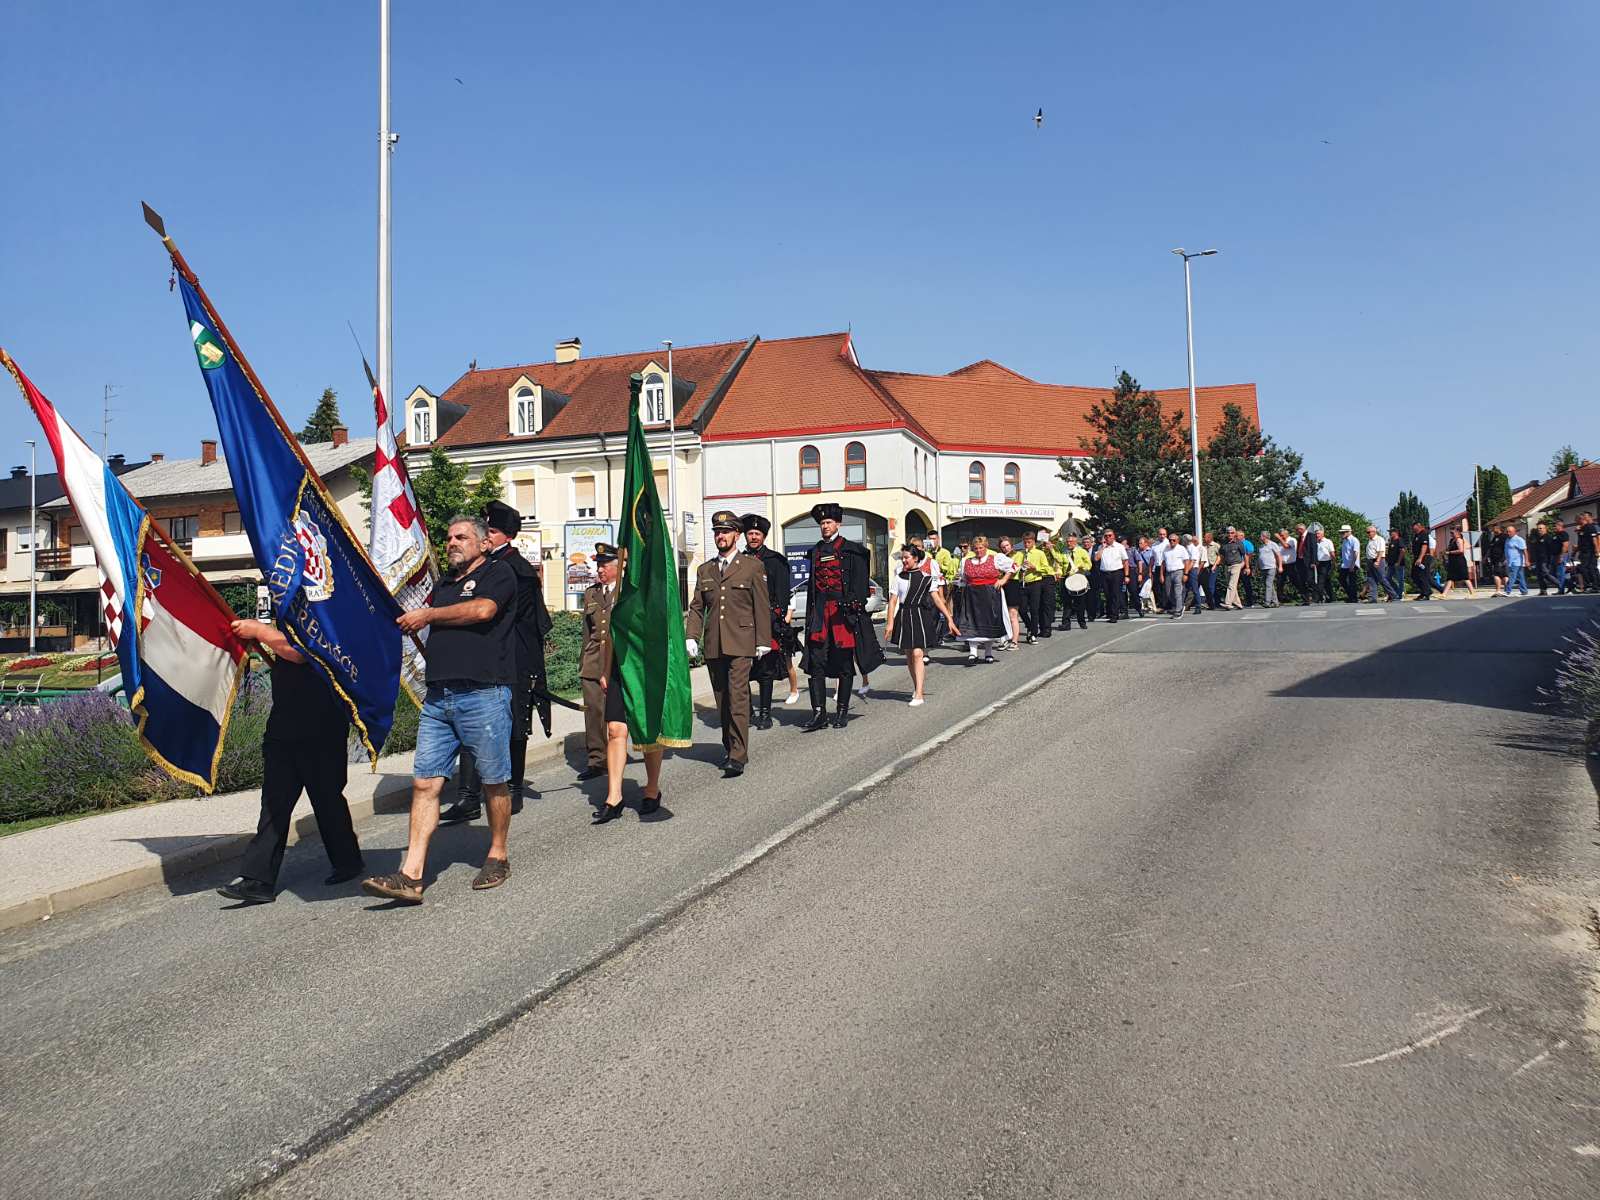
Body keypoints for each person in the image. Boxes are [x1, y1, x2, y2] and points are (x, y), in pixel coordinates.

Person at [363, 515, 518, 904]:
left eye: (461, 537)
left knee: (493, 780)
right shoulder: (444, 585)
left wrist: (429, 615)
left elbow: (482, 611)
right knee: (425, 782)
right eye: (449, 537)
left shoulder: (500, 574)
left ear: (483, 543)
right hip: (439, 698)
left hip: (483, 694)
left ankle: (497, 852)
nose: (452, 542)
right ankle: (411, 875)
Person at [216, 619, 363, 905]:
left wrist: (260, 631)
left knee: (326, 799)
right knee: (273, 803)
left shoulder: (322, 614)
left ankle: (348, 861)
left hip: (321, 725)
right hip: (284, 725)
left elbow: (300, 652)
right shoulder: (286, 615)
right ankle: (258, 880)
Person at [444, 499, 550, 825]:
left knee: (515, 725)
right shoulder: (480, 567)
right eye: (484, 530)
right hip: (482, 657)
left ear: (504, 536)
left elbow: (530, 625)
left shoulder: (515, 570)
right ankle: (467, 796)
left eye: (490, 531)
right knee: (469, 723)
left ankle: (514, 788)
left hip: (514, 659)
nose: (485, 537)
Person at [684, 511, 772, 778]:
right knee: (722, 700)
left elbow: (761, 605)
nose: (720, 536)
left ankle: (737, 755)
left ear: (736, 534)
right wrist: (691, 636)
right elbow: (698, 608)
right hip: (714, 644)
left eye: (725, 532)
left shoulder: (751, 566)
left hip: (742, 642)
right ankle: (729, 745)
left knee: (738, 698)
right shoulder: (705, 569)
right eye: (717, 532)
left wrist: (763, 640)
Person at [801, 502, 883, 730]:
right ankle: (819, 714)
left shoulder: (852, 550)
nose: (825, 526)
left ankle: (842, 712)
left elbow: (860, 585)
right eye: (822, 523)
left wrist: (854, 602)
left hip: (842, 614)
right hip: (820, 614)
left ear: (838, 524)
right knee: (816, 662)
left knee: (845, 663)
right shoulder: (815, 551)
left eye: (828, 522)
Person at [884, 543, 959, 706]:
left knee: (918, 654)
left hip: (920, 615)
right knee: (909, 655)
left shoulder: (926, 578)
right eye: (902, 558)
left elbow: (937, 599)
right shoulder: (898, 578)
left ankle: (919, 693)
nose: (904, 561)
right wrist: (890, 623)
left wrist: (949, 618)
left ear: (916, 558)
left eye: (907, 557)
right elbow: (892, 601)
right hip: (904, 616)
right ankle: (916, 686)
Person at [740, 514, 793, 729]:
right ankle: (748, 711)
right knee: (740, 669)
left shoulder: (775, 561)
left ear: (763, 536)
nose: (753, 537)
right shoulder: (739, 560)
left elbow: (782, 595)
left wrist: (775, 620)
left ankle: (765, 713)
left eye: (757, 534)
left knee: (765, 671)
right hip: (742, 623)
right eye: (750, 533)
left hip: (767, 623)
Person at [575, 545, 620, 782]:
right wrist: (583, 661)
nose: (600, 570)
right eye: (598, 565)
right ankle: (597, 760)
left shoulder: (625, 592)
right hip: (594, 658)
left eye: (604, 565)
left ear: (617, 566)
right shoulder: (592, 593)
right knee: (594, 712)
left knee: (622, 712)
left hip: (619, 658)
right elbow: (587, 631)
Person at [954, 534, 1013, 661]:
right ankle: (973, 652)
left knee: (989, 622)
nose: (978, 550)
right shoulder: (967, 561)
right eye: (975, 548)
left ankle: (988, 652)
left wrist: (1003, 580)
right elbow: (963, 579)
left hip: (990, 593)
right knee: (972, 622)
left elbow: (1013, 567)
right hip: (972, 594)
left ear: (986, 547)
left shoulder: (995, 558)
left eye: (981, 548)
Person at [1016, 530, 1052, 641]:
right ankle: (1030, 627)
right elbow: (1015, 566)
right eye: (1025, 542)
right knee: (1021, 609)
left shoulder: (1039, 553)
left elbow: (1046, 569)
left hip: (1036, 583)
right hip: (1023, 583)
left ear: (1033, 542)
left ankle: (1033, 634)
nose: (1027, 544)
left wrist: (1034, 568)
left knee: (1034, 609)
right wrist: (1020, 568)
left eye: (1029, 542)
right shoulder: (1020, 553)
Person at [996, 536, 1026, 648]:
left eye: (1007, 545)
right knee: (1002, 614)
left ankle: (1014, 641)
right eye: (1003, 547)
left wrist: (1003, 576)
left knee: (1013, 614)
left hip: (1012, 584)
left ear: (1011, 545)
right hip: (1001, 585)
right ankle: (1004, 639)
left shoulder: (1018, 555)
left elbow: (1014, 569)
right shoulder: (999, 557)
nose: (1005, 548)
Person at [1059, 534, 1093, 629]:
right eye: (1067, 541)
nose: (1068, 543)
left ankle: (1081, 622)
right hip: (1067, 578)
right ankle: (1066, 623)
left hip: (1078, 577)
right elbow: (1060, 564)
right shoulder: (1064, 552)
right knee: (1067, 602)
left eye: (1071, 541)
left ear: (1075, 542)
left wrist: (1082, 567)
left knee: (1080, 602)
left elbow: (1089, 565)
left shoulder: (1081, 552)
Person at [1097, 529, 1128, 622]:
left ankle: (1114, 615)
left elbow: (1125, 561)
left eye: (1110, 535)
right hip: (1105, 573)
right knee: (1107, 594)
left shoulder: (1119, 547)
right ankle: (1111, 613)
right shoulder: (1101, 547)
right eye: (1106, 536)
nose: (1108, 537)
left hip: (1116, 572)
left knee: (1115, 594)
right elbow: (1096, 558)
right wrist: (1103, 547)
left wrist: (1126, 575)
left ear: (1114, 536)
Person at [1160, 532, 1190, 618]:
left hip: (1178, 572)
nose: (1172, 542)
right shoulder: (1166, 549)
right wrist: (1161, 575)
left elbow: (1186, 561)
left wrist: (1186, 574)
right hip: (1168, 572)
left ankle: (1178, 610)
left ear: (1177, 541)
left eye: (1174, 540)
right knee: (1168, 592)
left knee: (1178, 592)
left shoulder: (1181, 549)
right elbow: (1163, 563)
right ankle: (1178, 606)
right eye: (1170, 540)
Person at [1218, 528, 1248, 610]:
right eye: (1228, 533)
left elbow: (1245, 555)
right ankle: (1238, 603)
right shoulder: (1224, 543)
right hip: (1227, 566)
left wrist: (1247, 567)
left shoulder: (1239, 543)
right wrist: (1221, 564)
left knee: (1232, 584)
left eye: (1232, 533)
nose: (1230, 534)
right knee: (1231, 585)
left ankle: (1228, 603)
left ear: (1235, 534)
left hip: (1236, 565)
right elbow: (1221, 555)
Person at [1441, 527, 1474, 597]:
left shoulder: (1459, 540)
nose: (1451, 535)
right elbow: (1449, 549)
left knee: (1465, 577)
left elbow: (1461, 550)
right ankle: (1444, 594)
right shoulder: (1452, 540)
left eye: (1452, 533)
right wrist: (1445, 552)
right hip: (1453, 562)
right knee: (1450, 577)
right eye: (1451, 533)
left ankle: (1472, 593)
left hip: (1459, 561)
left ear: (1458, 533)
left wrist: (1449, 552)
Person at [1364, 525, 1394, 602]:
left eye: (1368, 532)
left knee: (1381, 578)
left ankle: (1393, 595)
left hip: (1378, 560)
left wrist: (1377, 561)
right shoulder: (1370, 540)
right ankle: (1372, 598)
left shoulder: (1379, 539)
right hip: (1370, 560)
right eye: (1366, 532)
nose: (1367, 534)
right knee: (1371, 579)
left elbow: (1381, 551)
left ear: (1374, 532)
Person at [1409, 522, 1435, 600]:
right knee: (1414, 575)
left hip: (1423, 558)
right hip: (1417, 557)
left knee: (1422, 576)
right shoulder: (1417, 535)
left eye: (1414, 527)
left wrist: (1420, 558)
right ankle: (1424, 591)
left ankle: (1426, 593)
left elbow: (1424, 547)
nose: (1413, 529)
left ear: (1418, 526)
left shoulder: (1423, 534)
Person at [1257, 530, 1282, 607]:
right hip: (1263, 568)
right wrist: (1257, 567)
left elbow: (1278, 556)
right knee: (1269, 585)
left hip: (1271, 567)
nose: (1260, 537)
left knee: (1268, 584)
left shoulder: (1272, 544)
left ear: (1265, 537)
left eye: (1261, 536)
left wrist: (1280, 566)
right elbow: (1259, 558)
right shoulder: (1261, 546)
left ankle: (1267, 602)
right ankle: (1275, 602)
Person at [1502, 523, 1529, 595]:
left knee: (1512, 576)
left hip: (1517, 562)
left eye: (1510, 531)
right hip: (1510, 561)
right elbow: (1507, 550)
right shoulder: (1507, 540)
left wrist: (1526, 560)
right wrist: (1506, 559)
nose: (1508, 533)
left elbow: (1525, 551)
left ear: (1514, 531)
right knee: (1520, 577)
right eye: (1507, 531)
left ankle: (1507, 590)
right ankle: (1524, 590)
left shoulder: (1519, 540)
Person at [1576, 512, 1599, 592]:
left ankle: (1595, 586)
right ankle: (1592, 585)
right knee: (1586, 568)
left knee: (1590, 568)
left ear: (1581, 519)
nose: (1576, 522)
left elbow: (1594, 539)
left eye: (1577, 520)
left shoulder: (1590, 527)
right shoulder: (1582, 529)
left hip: (1590, 551)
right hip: (1584, 552)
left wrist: (1597, 550)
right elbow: (1581, 541)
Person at [1551, 520, 1572, 594]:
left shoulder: (1563, 534)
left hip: (1561, 555)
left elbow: (1565, 545)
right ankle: (1570, 584)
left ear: (1560, 526)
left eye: (1555, 526)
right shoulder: (1555, 535)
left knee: (1560, 573)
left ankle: (1561, 589)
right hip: (1554, 556)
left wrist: (1561, 556)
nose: (1554, 527)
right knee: (1553, 573)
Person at [1486, 524, 1508, 594]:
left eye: (1495, 528)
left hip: (1501, 558)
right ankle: (1507, 589)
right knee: (1503, 575)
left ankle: (1498, 590)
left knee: (1497, 574)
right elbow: (1491, 548)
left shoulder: (1504, 537)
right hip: (1495, 559)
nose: (1493, 529)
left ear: (1499, 529)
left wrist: (1505, 558)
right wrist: (1486, 557)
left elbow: (1506, 548)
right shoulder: (1495, 537)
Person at [1386, 528, 1407, 600]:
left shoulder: (1399, 540)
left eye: (1391, 532)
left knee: (1400, 579)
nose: (1390, 533)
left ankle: (1400, 594)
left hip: (1398, 564)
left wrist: (1398, 562)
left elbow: (1403, 550)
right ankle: (1397, 591)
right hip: (1391, 564)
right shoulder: (1391, 541)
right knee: (1387, 578)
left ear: (1396, 532)